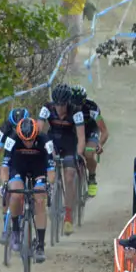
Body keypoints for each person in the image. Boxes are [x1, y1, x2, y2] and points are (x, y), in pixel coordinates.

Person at [0, 117, 55, 261]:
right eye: (25, 140)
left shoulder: (45, 140)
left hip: (39, 168)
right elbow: (5, 166)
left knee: (40, 200)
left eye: (31, 140)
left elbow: (51, 169)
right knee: (16, 194)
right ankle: (16, 230)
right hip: (18, 167)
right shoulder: (12, 139)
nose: (28, 143)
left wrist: (49, 184)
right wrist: (5, 183)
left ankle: (41, 245)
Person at [39, 84, 85, 236]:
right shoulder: (47, 107)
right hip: (52, 141)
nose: (60, 108)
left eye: (63, 105)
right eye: (57, 104)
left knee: (70, 176)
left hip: (69, 144)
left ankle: (68, 217)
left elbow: (81, 137)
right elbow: (39, 130)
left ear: (68, 102)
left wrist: (78, 154)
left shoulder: (76, 111)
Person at [0, 108, 33, 236]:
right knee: (7, 190)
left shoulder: (31, 127)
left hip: (28, 157)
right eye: (15, 127)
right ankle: (6, 225)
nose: (18, 131)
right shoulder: (5, 128)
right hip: (11, 158)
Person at [60, 0, 101, 74]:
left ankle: (71, 65)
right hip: (71, 11)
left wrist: (87, 3)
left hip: (79, 9)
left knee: (75, 39)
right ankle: (66, 66)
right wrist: (65, 16)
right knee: (71, 39)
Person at [70, 86, 108, 198]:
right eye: (74, 104)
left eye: (79, 104)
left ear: (84, 101)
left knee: (88, 153)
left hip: (91, 131)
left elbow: (104, 131)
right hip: (75, 131)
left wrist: (99, 144)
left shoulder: (92, 107)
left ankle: (92, 178)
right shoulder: (67, 106)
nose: (77, 107)